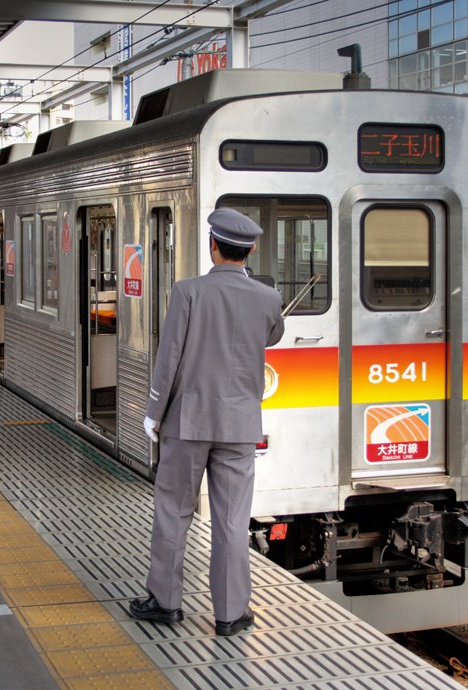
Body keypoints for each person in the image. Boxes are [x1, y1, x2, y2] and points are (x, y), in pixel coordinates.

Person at [129, 208, 285, 636]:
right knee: (233, 520)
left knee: (174, 512)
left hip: (188, 423)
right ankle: (231, 614)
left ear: (212, 246)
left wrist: (153, 413)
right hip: (239, 426)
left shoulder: (188, 291)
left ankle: (165, 602)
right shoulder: (268, 297)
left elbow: (170, 357)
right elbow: (271, 336)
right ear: (250, 250)